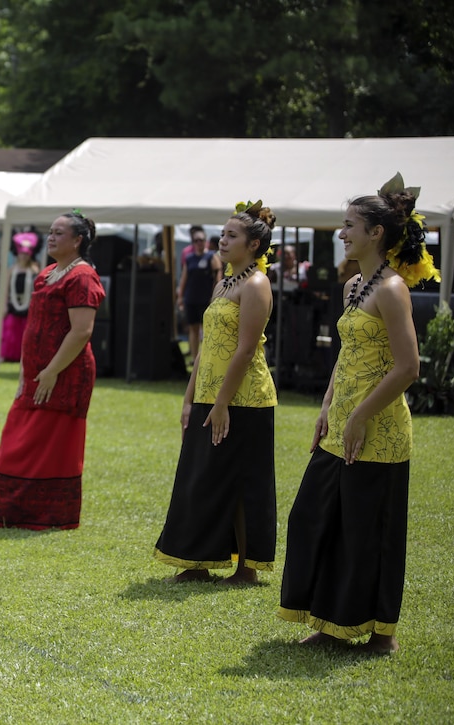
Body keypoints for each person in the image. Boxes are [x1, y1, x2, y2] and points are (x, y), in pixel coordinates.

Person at [278, 173, 437, 654]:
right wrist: (328, 408)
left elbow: (408, 368)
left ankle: (381, 634)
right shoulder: (352, 286)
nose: (340, 234)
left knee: (371, 531)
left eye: (349, 226)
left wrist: (362, 414)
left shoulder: (392, 289)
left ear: (376, 234)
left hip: (380, 428)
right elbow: (347, 357)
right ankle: (329, 622)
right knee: (316, 518)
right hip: (342, 422)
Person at [153, 201, 277, 584]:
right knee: (201, 477)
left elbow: (245, 348)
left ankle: (247, 569)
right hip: (210, 393)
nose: (222, 241)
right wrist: (190, 398)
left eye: (231, 236)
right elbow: (206, 344)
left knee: (243, 482)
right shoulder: (223, 282)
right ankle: (198, 560)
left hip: (245, 399)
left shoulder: (256, 285)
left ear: (253, 244)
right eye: (222, 234)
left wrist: (222, 403)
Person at [0, 212, 105, 529]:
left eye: (59, 232)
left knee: (45, 443)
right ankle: (12, 510)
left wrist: (53, 370)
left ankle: (42, 513)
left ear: (78, 240)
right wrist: (25, 374)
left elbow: (81, 331)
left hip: (65, 373)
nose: (51, 237)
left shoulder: (82, 277)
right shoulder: (48, 273)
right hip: (38, 372)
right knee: (20, 436)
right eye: (50, 232)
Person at [177, 225, 222, 364]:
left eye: (201, 240)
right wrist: (180, 296)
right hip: (191, 298)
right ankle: (195, 358)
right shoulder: (189, 258)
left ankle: (206, 358)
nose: (199, 243)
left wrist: (216, 295)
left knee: (207, 330)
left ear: (205, 241)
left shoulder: (212, 256)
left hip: (206, 299)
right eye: (196, 240)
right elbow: (184, 278)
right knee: (193, 328)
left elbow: (218, 277)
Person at [0, 231, 41, 363]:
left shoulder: (35, 270)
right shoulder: (12, 270)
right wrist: (5, 304)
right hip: (14, 303)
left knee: (26, 330)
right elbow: (6, 288)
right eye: (21, 254)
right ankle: (10, 355)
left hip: (28, 304)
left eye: (26, 254)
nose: (23, 256)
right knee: (12, 330)